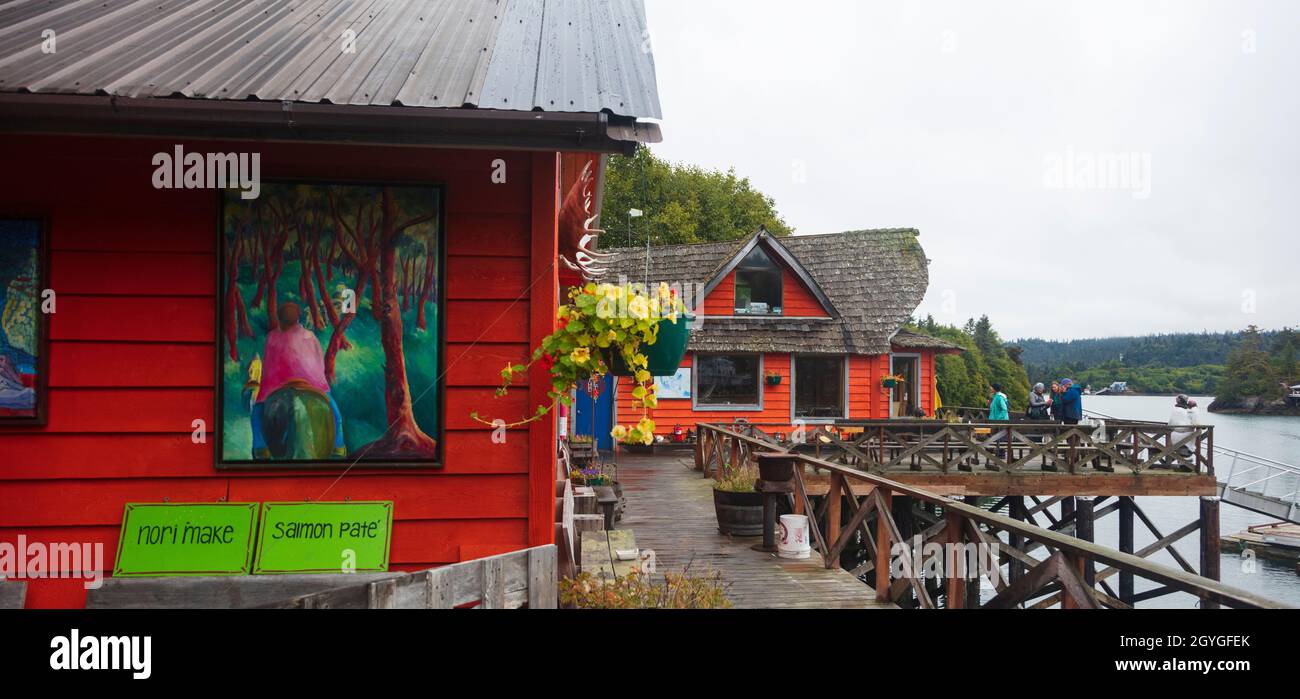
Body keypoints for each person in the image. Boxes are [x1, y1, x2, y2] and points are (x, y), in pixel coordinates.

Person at [252, 302, 347, 459]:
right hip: (313, 385)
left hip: (277, 386)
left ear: (280, 320)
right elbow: (318, 364)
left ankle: (260, 448)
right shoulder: (311, 337)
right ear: (297, 320)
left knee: (256, 414)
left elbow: (269, 369)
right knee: (336, 415)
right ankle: (338, 446)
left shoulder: (272, 338)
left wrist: (263, 393)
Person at [1163, 394, 1200, 470]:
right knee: (1192, 438)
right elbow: (1195, 422)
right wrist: (1195, 407)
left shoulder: (1174, 411)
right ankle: (1186, 463)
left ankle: (1182, 463)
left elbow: (1170, 424)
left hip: (1174, 438)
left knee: (1180, 447)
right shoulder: (1189, 412)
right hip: (1186, 437)